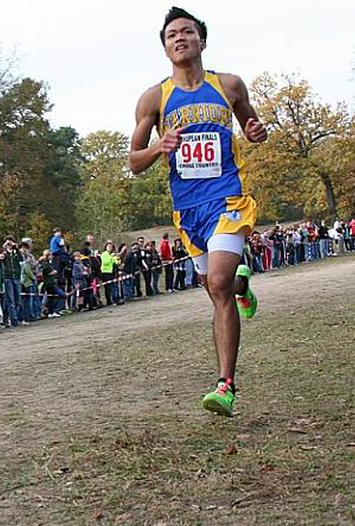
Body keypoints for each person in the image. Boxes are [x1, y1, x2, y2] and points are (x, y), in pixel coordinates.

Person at [129, 7, 268, 416]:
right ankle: (243, 290)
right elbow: (134, 162)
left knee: (220, 281)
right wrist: (159, 146)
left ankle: (226, 385)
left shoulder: (228, 85)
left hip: (227, 198)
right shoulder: (154, 98)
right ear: (165, 47)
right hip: (188, 211)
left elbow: (252, 127)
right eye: (172, 34)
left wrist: (257, 132)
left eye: (187, 31)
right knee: (218, 291)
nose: (179, 38)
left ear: (201, 41)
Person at [0, 237, 24, 327]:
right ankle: (14, 320)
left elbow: (21, 259)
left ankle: (8, 318)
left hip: (16, 277)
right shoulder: (4, 253)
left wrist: (16, 249)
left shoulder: (16, 253)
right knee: (11, 300)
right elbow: (1, 258)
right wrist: (4, 248)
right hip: (8, 277)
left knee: (18, 300)